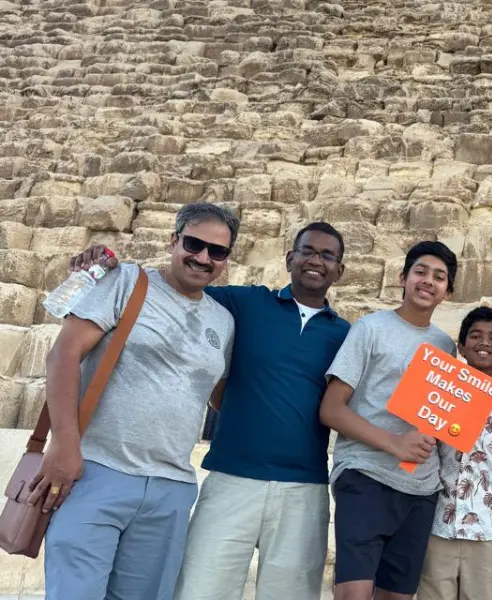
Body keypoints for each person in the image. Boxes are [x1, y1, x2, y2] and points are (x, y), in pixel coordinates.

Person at [69, 221, 350, 600]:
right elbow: (182, 278)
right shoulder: (244, 303)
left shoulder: (348, 336)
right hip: (230, 479)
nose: (316, 261)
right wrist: (107, 263)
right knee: (199, 592)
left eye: (327, 255)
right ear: (289, 259)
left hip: (304, 489)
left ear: (340, 270)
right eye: (307, 251)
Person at [35, 203, 237, 600]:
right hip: (95, 471)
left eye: (217, 251)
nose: (203, 258)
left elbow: (220, 397)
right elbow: (63, 354)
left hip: (171, 487)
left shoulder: (223, 321)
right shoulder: (125, 282)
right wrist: (64, 445)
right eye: (194, 244)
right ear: (173, 240)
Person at [320, 241, 459, 600]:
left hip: (420, 489)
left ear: (448, 291)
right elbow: (332, 409)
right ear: (403, 277)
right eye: (421, 272)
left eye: (439, 277)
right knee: (354, 592)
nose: (428, 281)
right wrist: (395, 443)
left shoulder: (446, 347)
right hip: (366, 475)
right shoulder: (371, 328)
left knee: (396, 596)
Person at [417, 306, 492, 600]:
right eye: (475, 336)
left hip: (486, 527)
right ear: (461, 346)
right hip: (439, 522)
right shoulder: (440, 392)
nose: (484, 343)